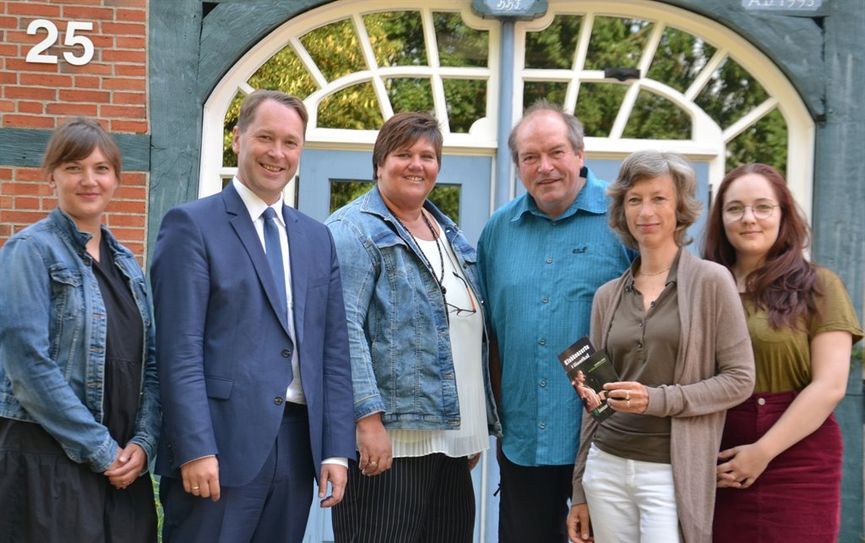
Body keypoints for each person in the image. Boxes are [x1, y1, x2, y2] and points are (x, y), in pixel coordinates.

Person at [150, 90, 356, 543]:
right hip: (218, 448)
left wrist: (337, 449)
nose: (277, 153)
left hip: (298, 449)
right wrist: (195, 447)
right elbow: (177, 351)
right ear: (238, 138)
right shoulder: (191, 226)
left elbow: (334, 351)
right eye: (265, 137)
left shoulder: (317, 239)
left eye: (290, 142)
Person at [326, 111, 500, 542]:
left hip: (450, 439)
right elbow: (343, 329)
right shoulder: (352, 230)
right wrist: (366, 420)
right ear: (379, 162)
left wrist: (471, 424)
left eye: (428, 155)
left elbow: (464, 330)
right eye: (403, 154)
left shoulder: (447, 233)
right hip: (392, 439)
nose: (416, 164)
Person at [567, 150, 755, 543]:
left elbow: (740, 380)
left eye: (658, 198)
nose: (645, 211)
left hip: (670, 471)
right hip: (606, 466)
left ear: (680, 207)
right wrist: (580, 488)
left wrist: (656, 399)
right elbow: (593, 399)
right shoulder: (607, 296)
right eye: (634, 200)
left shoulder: (711, 282)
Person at [477, 100, 633, 542]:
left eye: (556, 152)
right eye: (530, 157)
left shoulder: (624, 219)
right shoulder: (498, 231)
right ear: (518, 166)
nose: (544, 167)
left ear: (580, 154)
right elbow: (485, 333)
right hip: (524, 439)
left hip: (606, 435)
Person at [0, 117, 160, 542]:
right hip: (48, 460)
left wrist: (143, 444)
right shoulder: (28, 251)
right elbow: (28, 367)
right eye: (74, 167)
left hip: (123, 470)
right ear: (51, 176)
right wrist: (103, 452)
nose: (89, 180)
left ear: (116, 180)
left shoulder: (128, 265)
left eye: (101, 168)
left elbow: (152, 367)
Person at [704, 163, 863, 542]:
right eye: (735, 208)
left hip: (798, 458)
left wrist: (761, 452)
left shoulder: (819, 286)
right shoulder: (703, 288)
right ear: (721, 218)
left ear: (783, 215)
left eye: (763, 207)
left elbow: (830, 386)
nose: (749, 219)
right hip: (718, 457)